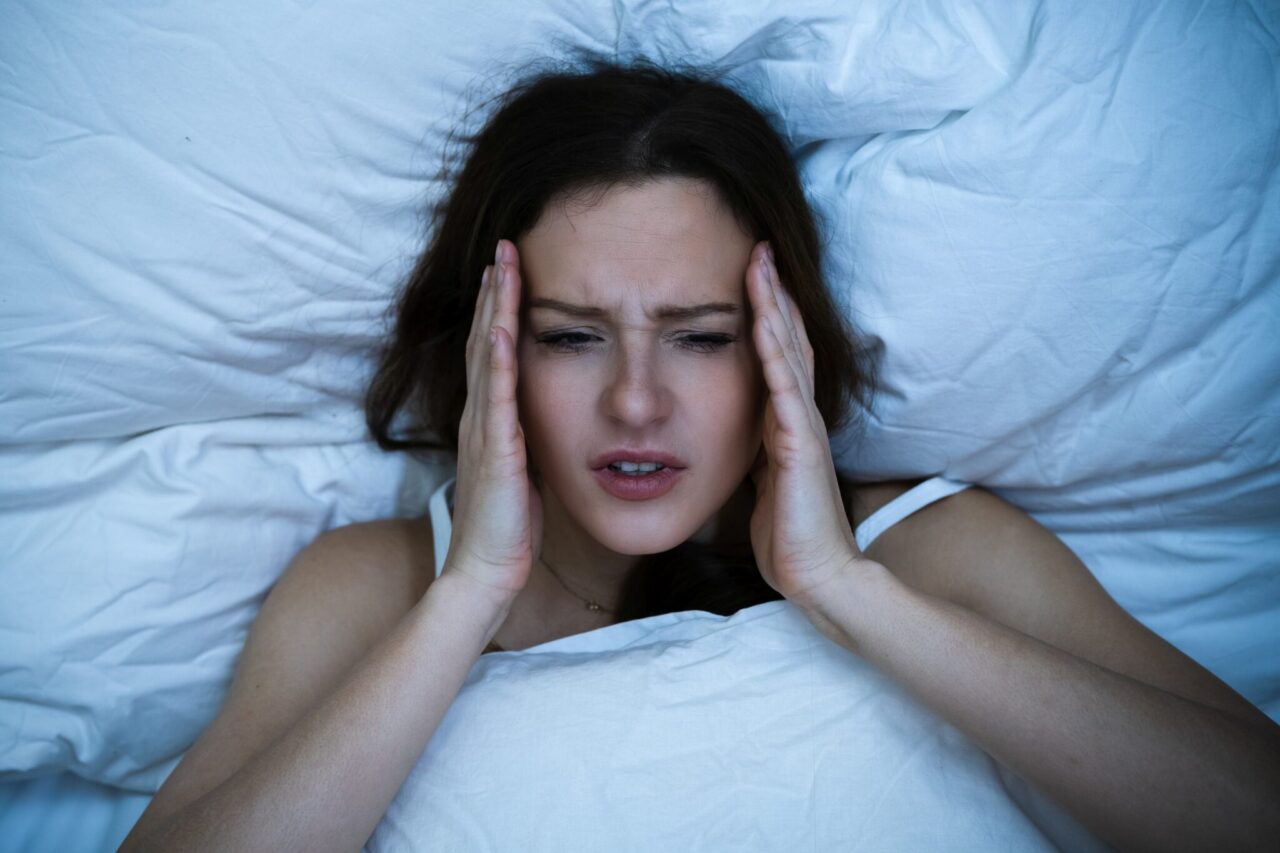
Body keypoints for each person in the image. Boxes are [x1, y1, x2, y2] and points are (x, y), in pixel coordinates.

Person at [121, 59, 1280, 852]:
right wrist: (468, 593)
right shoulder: (374, 587)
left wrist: (842, 591)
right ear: (491, 353)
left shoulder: (932, 548)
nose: (635, 401)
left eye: (700, 337)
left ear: (779, 344)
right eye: (572, 337)